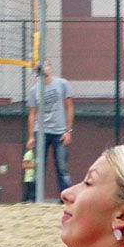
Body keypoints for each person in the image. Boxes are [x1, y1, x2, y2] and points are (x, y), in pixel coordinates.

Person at [27, 59, 74, 193]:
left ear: (50, 67)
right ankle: (34, 198)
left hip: (60, 132)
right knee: (39, 167)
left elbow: (69, 107)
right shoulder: (34, 90)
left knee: (62, 168)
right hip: (41, 132)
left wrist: (68, 131)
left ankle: (65, 198)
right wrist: (31, 136)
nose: (43, 68)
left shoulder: (62, 84)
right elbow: (32, 114)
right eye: (40, 67)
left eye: (46, 65)